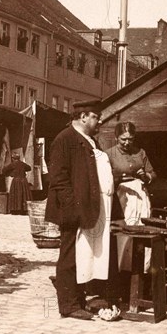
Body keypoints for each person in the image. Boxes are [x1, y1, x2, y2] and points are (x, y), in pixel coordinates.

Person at [46, 100, 113, 320]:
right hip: (72, 210)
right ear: (82, 116)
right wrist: (72, 207)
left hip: (87, 209)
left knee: (82, 256)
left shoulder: (90, 141)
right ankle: (68, 305)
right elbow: (58, 178)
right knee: (68, 257)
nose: (99, 120)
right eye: (95, 116)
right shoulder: (64, 139)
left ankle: (79, 299)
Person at [106, 121, 157, 271]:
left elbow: (153, 174)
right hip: (122, 197)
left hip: (140, 197)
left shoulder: (140, 153)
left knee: (141, 229)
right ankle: (121, 269)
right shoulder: (109, 154)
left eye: (130, 139)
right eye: (123, 139)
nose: (127, 143)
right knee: (124, 230)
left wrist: (146, 176)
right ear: (116, 137)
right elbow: (103, 178)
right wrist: (117, 178)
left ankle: (141, 269)